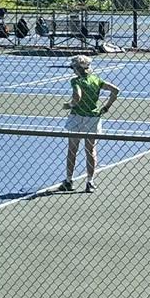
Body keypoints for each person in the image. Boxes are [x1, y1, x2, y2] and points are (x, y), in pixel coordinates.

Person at [59, 52, 120, 194]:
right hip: (93, 117)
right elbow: (115, 90)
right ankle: (90, 182)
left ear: (76, 68)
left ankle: (69, 180)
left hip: (77, 117)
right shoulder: (96, 80)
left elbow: (77, 97)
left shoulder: (76, 81)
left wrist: (70, 105)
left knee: (72, 149)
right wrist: (106, 107)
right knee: (90, 150)